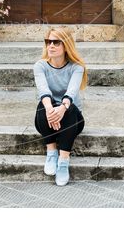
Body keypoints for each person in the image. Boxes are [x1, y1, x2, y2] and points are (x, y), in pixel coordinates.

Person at [33, 27, 87, 186]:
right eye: (48, 42)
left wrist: (62, 108)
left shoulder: (76, 67)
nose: (51, 45)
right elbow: (43, 90)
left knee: (68, 107)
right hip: (47, 118)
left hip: (72, 119)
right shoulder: (40, 66)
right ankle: (51, 152)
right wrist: (51, 111)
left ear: (66, 45)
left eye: (56, 42)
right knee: (43, 105)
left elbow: (71, 92)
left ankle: (63, 161)